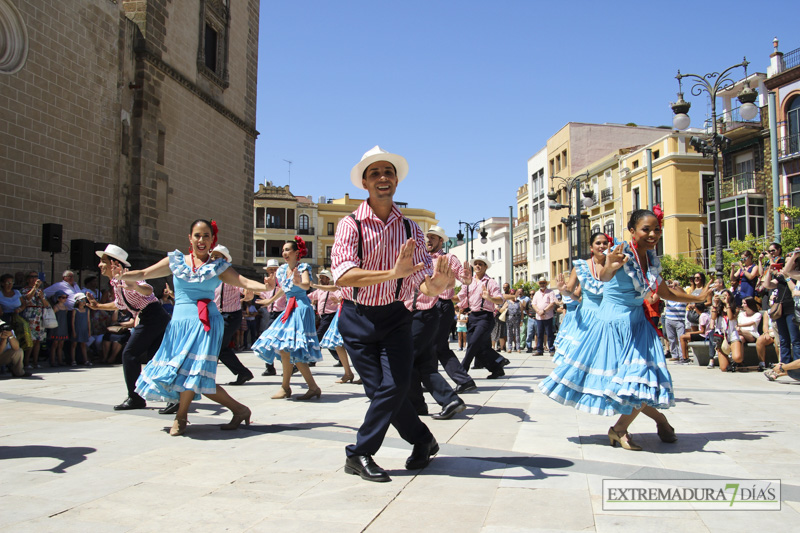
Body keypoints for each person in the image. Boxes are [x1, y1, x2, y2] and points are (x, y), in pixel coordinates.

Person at [332, 146, 453, 482]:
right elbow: (342, 275)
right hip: (356, 317)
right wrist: (391, 274)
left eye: (388, 172)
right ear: (365, 183)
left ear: (396, 181)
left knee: (396, 385)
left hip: (397, 317)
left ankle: (358, 453)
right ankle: (423, 439)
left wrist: (438, 285)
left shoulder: (412, 229)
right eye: (375, 173)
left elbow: (423, 285)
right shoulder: (349, 225)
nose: (382, 178)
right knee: (380, 392)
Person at [543, 209, 710, 450]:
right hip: (614, 325)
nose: (653, 234)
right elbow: (603, 275)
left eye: (656, 229)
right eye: (646, 229)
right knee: (637, 381)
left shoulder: (650, 257)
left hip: (637, 323)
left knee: (641, 381)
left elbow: (663, 292)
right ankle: (644, 425)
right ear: (632, 231)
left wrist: (697, 298)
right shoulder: (622, 252)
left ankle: (630, 427)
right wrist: (609, 266)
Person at [120, 219, 267, 436]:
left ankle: (181, 417)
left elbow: (244, 282)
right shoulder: (176, 261)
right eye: (197, 235)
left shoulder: (217, 267)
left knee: (195, 374)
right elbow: (143, 274)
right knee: (186, 374)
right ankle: (239, 409)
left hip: (205, 324)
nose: (201, 240)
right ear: (190, 238)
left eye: (206, 236)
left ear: (212, 240)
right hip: (179, 324)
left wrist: (267, 287)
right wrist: (121, 276)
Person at [87, 244, 172, 412]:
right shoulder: (116, 281)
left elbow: (148, 290)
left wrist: (134, 285)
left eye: (102, 261)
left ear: (113, 263)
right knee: (157, 359)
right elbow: (119, 304)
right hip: (153, 318)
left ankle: (135, 398)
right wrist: (98, 306)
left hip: (152, 317)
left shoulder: (128, 276)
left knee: (129, 353)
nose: (99, 265)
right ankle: (172, 397)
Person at [252, 237, 323, 400]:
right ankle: (303, 387)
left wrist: (299, 283)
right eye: (283, 250)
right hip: (289, 308)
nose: (284, 253)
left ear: (296, 252)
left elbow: (306, 285)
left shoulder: (303, 267)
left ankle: (290, 387)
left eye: (287, 250)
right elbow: (283, 289)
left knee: (290, 348)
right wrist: (269, 300)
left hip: (301, 308)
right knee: (286, 348)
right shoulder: (282, 270)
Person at [424, 225, 476, 394]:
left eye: (433, 237)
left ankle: (461, 379)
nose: (429, 240)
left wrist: (466, 279)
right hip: (425, 305)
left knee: (437, 345)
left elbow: (463, 276)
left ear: (441, 240)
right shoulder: (423, 258)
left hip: (441, 305)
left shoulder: (449, 258)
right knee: (429, 345)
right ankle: (431, 380)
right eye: (428, 236)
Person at [213, 245, 256, 388]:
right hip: (216, 316)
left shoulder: (231, 275)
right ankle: (242, 372)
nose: (213, 259)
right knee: (218, 347)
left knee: (218, 347)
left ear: (225, 259)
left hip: (231, 316)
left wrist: (248, 293)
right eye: (212, 256)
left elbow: (243, 287)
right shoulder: (212, 277)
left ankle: (242, 372)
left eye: (217, 256)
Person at [459, 255, 508, 379]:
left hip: (485, 317)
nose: (477, 266)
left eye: (481, 264)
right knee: (478, 347)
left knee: (473, 344)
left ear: (486, 267)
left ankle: (462, 371)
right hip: (473, 317)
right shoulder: (468, 282)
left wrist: (490, 298)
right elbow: (461, 297)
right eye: (476, 263)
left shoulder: (490, 282)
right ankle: (497, 366)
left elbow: (500, 299)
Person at [256, 259, 284, 376]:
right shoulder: (267, 284)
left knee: (281, 342)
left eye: (275, 269)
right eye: (270, 269)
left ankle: (289, 365)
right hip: (272, 314)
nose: (272, 272)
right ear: (267, 271)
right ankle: (270, 366)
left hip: (281, 314)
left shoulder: (282, 282)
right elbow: (263, 294)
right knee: (268, 340)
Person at [308, 269, 342, 364]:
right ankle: (340, 359)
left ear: (328, 279)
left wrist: (337, 300)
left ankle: (313, 359)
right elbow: (309, 296)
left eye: (323, 278)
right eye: (320, 278)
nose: (321, 280)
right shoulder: (319, 291)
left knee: (318, 336)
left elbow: (340, 295)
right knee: (326, 339)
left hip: (330, 316)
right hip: (322, 317)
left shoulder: (332, 289)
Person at [20, 272, 49, 368]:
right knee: (30, 340)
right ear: (28, 279)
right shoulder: (24, 290)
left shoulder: (41, 291)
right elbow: (27, 298)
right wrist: (34, 288)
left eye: (36, 277)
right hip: (30, 315)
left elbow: (46, 304)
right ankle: (26, 362)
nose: (34, 279)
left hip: (39, 315)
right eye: (32, 277)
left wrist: (41, 297)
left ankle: (35, 362)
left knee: (38, 340)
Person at [530, 277, 558, 355]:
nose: (542, 284)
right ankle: (539, 350)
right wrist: (538, 311)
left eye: (543, 283)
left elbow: (552, 303)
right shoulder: (536, 293)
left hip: (548, 315)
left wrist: (544, 311)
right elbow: (533, 304)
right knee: (539, 334)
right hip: (539, 316)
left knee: (549, 333)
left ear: (546, 284)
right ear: (539, 284)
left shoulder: (551, 292)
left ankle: (551, 349)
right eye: (541, 283)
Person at [663, 281, 687, 362]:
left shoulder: (683, 296)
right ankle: (674, 355)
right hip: (669, 319)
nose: (673, 287)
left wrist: (676, 286)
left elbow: (684, 294)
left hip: (680, 320)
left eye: (676, 285)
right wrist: (668, 287)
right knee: (671, 338)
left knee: (681, 339)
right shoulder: (669, 296)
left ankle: (682, 355)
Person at [69, 293, 91, 366]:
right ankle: (73, 360)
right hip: (77, 329)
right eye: (82, 300)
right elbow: (72, 322)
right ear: (78, 301)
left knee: (83, 345)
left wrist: (89, 331)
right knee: (74, 345)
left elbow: (88, 321)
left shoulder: (87, 310)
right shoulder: (75, 310)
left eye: (84, 300)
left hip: (84, 329)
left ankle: (86, 360)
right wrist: (74, 331)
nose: (84, 301)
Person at [48, 291, 69, 367]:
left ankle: (60, 360)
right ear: (58, 298)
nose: (65, 299)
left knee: (61, 345)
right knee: (55, 344)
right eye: (63, 297)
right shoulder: (56, 307)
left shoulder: (65, 307)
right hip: (56, 327)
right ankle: (52, 361)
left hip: (63, 326)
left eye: (66, 297)